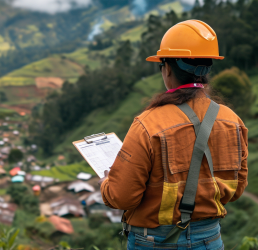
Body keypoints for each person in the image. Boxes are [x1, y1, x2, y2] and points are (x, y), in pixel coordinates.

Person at [99, 20, 248, 249]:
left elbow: (122, 197)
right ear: (207, 69)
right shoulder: (232, 121)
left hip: (154, 241)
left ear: (167, 68)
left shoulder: (148, 124)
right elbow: (236, 189)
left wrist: (107, 182)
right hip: (211, 239)